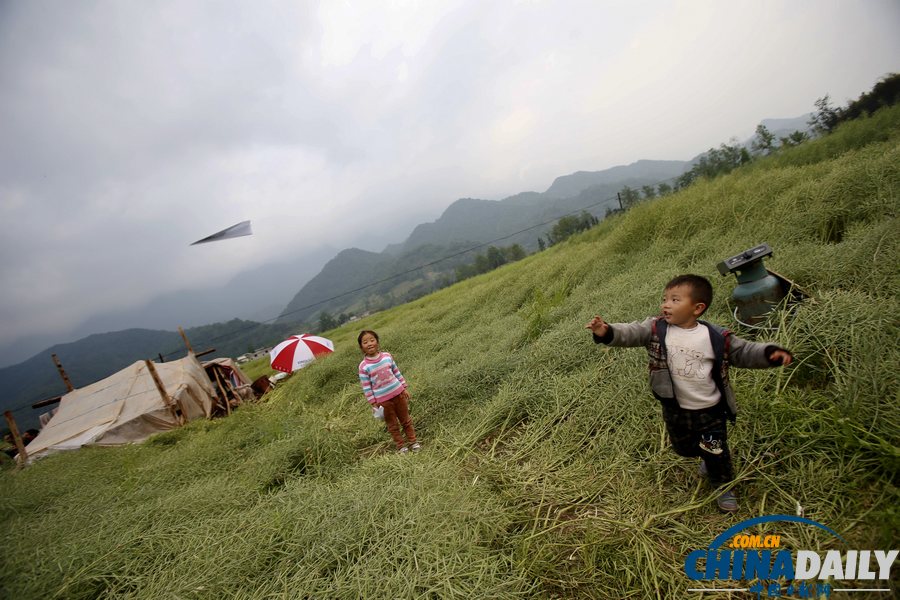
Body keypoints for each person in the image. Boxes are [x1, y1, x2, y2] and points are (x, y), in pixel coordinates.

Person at [586, 274, 792, 513]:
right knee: (683, 448)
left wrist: (769, 354)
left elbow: (744, 351)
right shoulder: (655, 329)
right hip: (675, 407)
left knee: (715, 449)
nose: (666, 305)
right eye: (664, 299)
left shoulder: (716, 337)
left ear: (697, 308)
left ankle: (723, 485)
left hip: (710, 409)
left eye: (675, 300)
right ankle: (705, 456)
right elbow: (630, 332)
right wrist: (605, 331)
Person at [357, 330, 421, 454]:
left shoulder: (387, 356)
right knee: (392, 425)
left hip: (399, 394)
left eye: (372, 340)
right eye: (365, 342)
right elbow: (366, 387)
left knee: (406, 420)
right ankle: (401, 446)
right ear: (361, 347)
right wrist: (373, 403)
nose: (369, 344)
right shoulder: (363, 366)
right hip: (383, 401)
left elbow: (396, 372)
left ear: (377, 342)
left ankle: (413, 442)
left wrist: (404, 387)